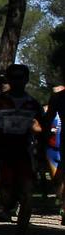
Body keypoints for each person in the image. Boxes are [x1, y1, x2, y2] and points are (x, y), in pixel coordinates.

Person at [0, 62, 45, 235]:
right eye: (13, 77)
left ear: (26, 80)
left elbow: (43, 128)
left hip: (24, 154)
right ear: (9, 80)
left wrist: (40, 149)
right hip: (3, 153)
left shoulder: (33, 104)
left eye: (20, 77)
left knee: (27, 196)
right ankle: (9, 205)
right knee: (7, 197)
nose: (17, 81)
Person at [46, 84, 64, 224]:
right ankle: (62, 203)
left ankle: (64, 210)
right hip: (52, 150)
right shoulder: (49, 110)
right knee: (57, 181)